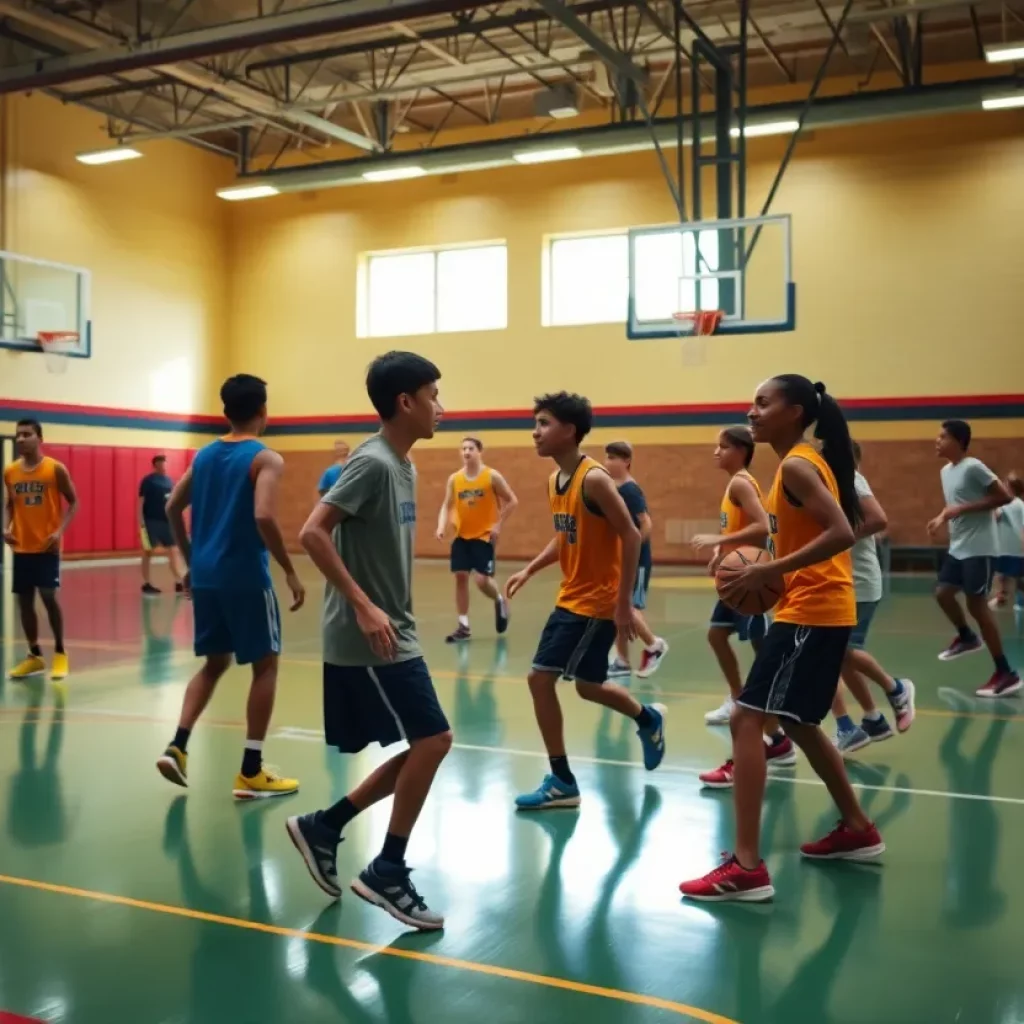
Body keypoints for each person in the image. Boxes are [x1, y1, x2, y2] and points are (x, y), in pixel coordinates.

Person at [680, 376, 884, 903]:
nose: (752, 411)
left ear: (794, 412)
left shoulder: (796, 464)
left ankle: (746, 867)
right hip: (814, 608)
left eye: (762, 403)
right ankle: (859, 827)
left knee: (748, 718)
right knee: (799, 720)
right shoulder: (792, 464)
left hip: (812, 609)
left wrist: (766, 571)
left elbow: (841, 531)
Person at [286, 351, 449, 932]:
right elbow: (312, 532)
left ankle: (325, 827)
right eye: (434, 395)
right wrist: (363, 604)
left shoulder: (404, 466)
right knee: (433, 740)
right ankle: (386, 869)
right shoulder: (374, 462)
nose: (441, 407)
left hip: (395, 631)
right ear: (405, 402)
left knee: (428, 743)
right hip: (371, 637)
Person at [504, 392, 667, 811]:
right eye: (536, 423)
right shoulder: (555, 481)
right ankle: (647, 718)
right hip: (572, 596)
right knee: (588, 685)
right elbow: (566, 534)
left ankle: (562, 781)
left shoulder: (594, 478)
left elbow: (631, 534)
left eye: (543, 423)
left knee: (540, 678)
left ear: (570, 430)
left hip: (594, 603)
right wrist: (530, 568)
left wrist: (623, 603)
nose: (535, 432)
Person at [156, 374, 305, 799]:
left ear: (225, 412)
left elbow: (171, 507)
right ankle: (251, 770)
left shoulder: (204, 456)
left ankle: (178, 746)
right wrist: (290, 570)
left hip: (205, 577)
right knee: (266, 665)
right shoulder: (265, 459)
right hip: (244, 576)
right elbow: (263, 516)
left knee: (214, 664)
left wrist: (189, 560)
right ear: (263, 411)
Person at [690, 425, 797, 788]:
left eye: (722, 447)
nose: (716, 452)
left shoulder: (741, 483)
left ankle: (768, 726)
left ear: (741, 450)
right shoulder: (734, 482)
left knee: (763, 654)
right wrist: (722, 554)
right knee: (716, 636)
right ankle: (745, 705)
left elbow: (764, 526)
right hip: (736, 578)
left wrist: (721, 540)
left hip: (751, 579)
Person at [831, 442, 916, 753]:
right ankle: (873, 719)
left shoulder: (852, 479)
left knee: (837, 651)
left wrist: (836, 536)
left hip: (860, 582)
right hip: (843, 581)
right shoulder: (838, 485)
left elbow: (879, 520)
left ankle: (896, 688)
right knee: (839, 657)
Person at [928, 420, 1019, 697]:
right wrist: (942, 516)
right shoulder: (946, 471)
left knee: (978, 606)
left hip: (980, 548)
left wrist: (962, 510)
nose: (937, 440)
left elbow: (1004, 497)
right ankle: (967, 637)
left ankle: (1005, 672)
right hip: (959, 547)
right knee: (943, 594)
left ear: (958, 441)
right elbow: (953, 504)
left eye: (943, 437)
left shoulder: (974, 467)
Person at [3, 418, 77, 681]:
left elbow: (74, 502)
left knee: (48, 597)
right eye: (18, 435)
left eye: (26, 434)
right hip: (22, 547)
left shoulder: (55, 469)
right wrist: (5, 527)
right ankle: (34, 656)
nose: (21, 439)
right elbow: (9, 505)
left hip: (47, 547)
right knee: (24, 602)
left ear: (39, 438)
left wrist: (59, 531)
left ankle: (60, 653)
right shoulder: (10, 471)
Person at [435, 437, 517, 642]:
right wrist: (441, 525)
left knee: (481, 580)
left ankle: (499, 600)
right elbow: (446, 505)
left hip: (484, 535)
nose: (466, 452)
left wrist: (498, 524)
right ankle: (463, 625)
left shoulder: (491, 476)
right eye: (463, 448)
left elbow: (512, 500)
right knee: (460, 577)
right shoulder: (455, 479)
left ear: (480, 451)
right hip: (462, 535)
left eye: (470, 448)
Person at [602, 440, 668, 677]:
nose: (608, 462)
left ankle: (654, 645)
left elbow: (646, 522)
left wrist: (634, 548)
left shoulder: (630, 489)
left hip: (636, 560)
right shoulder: (611, 487)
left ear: (626, 461)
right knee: (616, 606)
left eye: (613, 458)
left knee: (628, 606)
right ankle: (622, 661)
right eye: (606, 457)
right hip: (619, 559)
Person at [139, 454, 185, 595]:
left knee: (173, 551)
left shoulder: (169, 481)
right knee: (148, 552)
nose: (164, 466)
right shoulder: (147, 481)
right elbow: (140, 503)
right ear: (156, 465)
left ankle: (178, 582)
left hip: (167, 522)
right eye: (161, 463)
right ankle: (147, 583)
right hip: (150, 522)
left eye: (165, 463)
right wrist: (141, 523)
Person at [989, 471, 1024, 611]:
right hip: (1006, 548)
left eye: (1006, 484)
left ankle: (1014, 600)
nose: (1003, 486)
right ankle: (1002, 598)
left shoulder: (1011, 504)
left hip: (1013, 549)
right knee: (1003, 575)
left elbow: (995, 516)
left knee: (1014, 576)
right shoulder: (1019, 504)